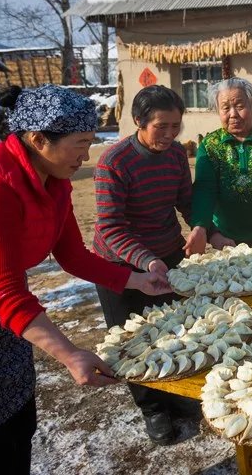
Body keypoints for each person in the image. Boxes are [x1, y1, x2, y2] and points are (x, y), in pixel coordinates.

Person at [0, 85, 171, 474]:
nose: (87, 156)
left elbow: (71, 255)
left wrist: (136, 280)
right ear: (37, 139)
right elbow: (3, 292)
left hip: (1, 316)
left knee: (17, 421)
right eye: (80, 144)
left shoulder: (53, 180)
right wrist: (71, 354)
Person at [92, 85, 194, 446]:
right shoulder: (114, 162)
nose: (168, 135)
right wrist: (145, 260)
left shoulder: (176, 154)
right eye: (160, 127)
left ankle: (177, 394)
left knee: (175, 329)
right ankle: (152, 407)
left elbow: (185, 200)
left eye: (175, 127)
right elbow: (109, 226)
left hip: (167, 254)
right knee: (134, 340)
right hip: (121, 265)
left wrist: (200, 227)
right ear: (138, 121)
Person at [185, 78, 252, 254]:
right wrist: (202, 228)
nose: (233, 114)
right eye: (225, 108)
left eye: (239, 106)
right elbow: (204, 190)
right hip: (226, 241)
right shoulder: (210, 146)